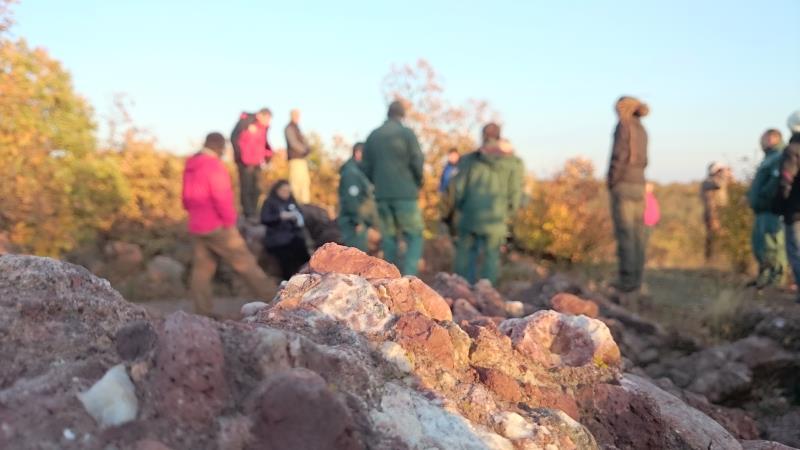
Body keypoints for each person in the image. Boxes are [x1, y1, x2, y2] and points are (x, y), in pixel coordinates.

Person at [182, 132, 275, 317]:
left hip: (197, 224)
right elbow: (221, 196)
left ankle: (202, 313)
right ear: (219, 146)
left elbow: (185, 199)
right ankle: (277, 301)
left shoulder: (191, 165)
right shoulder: (213, 165)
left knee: (202, 271)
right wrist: (229, 221)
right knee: (246, 264)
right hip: (217, 225)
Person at [445, 123, 523, 285]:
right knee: (491, 257)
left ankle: (461, 291)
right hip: (496, 217)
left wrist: (458, 209)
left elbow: (457, 189)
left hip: (469, 215)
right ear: (499, 137)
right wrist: (508, 214)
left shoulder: (468, 160)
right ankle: (486, 295)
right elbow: (515, 194)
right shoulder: (514, 163)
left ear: (483, 136)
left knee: (465, 254)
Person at [362, 100, 425, 275]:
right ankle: (410, 278)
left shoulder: (373, 135)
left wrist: (377, 183)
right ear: (402, 115)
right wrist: (418, 182)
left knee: (389, 238)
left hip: (382, 194)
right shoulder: (407, 134)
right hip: (405, 194)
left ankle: (389, 279)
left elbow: (365, 167)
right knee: (413, 236)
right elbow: (417, 161)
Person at [607, 96, 649, 294]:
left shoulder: (623, 126)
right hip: (639, 184)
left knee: (625, 234)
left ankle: (627, 282)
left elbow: (619, 157)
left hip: (623, 184)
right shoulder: (641, 129)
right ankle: (637, 280)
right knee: (638, 234)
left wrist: (611, 181)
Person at [747, 129, 786, 288]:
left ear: (772, 138)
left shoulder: (778, 157)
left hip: (771, 210)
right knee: (760, 245)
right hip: (761, 210)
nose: (761, 143)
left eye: (764, 139)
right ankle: (764, 277)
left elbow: (775, 183)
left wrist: (763, 196)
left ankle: (776, 280)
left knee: (772, 246)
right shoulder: (768, 158)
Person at [260, 180, 310, 280]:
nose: (286, 193)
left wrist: (296, 218)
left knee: (305, 257)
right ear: (277, 190)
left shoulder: (292, 201)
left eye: (288, 191)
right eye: (283, 190)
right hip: (277, 239)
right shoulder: (270, 202)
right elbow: (264, 219)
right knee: (286, 261)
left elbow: (301, 216)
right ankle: (289, 283)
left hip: (294, 236)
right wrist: (279, 217)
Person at [230, 108, 273, 220]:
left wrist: (268, 155)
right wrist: (240, 156)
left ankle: (254, 212)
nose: (268, 122)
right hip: (245, 162)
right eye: (267, 119)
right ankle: (247, 213)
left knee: (257, 188)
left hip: (257, 162)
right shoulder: (246, 121)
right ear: (260, 116)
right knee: (246, 188)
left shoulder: (264, 128)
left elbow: (264, 143)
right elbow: (234, 137)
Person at [777, 111, 800, 302]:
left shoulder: (793, 149)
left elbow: (786, 179)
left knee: (795, 250)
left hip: (795, 210)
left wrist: (782, 203)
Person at [337, 142, 377, 251]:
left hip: (358, 222)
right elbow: (351, 199)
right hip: (354, 225)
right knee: (355, 258)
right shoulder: (351, 173)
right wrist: (357, 221)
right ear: (358, 154)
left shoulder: (357, 172)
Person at [700, 162, 732, 261]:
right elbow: (718, 185)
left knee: (723, 235)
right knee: (713, 237)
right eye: (718, 170)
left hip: (722, 212)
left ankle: (722, 258)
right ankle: (711, 259)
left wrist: (729, 175)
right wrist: (723, 174)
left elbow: (732, 183)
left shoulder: (718, 180)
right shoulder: (708, 182)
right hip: (712, 213)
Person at [285, 109, 312, 204]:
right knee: (296, 184)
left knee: (305, 183)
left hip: (301, 160)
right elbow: (293, 143)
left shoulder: (297, 128)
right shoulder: (289, 127)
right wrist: (305, 150)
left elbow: (303, 141)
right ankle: (296, 204)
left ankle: (305, 205)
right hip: (295, 159)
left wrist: (308, 148)